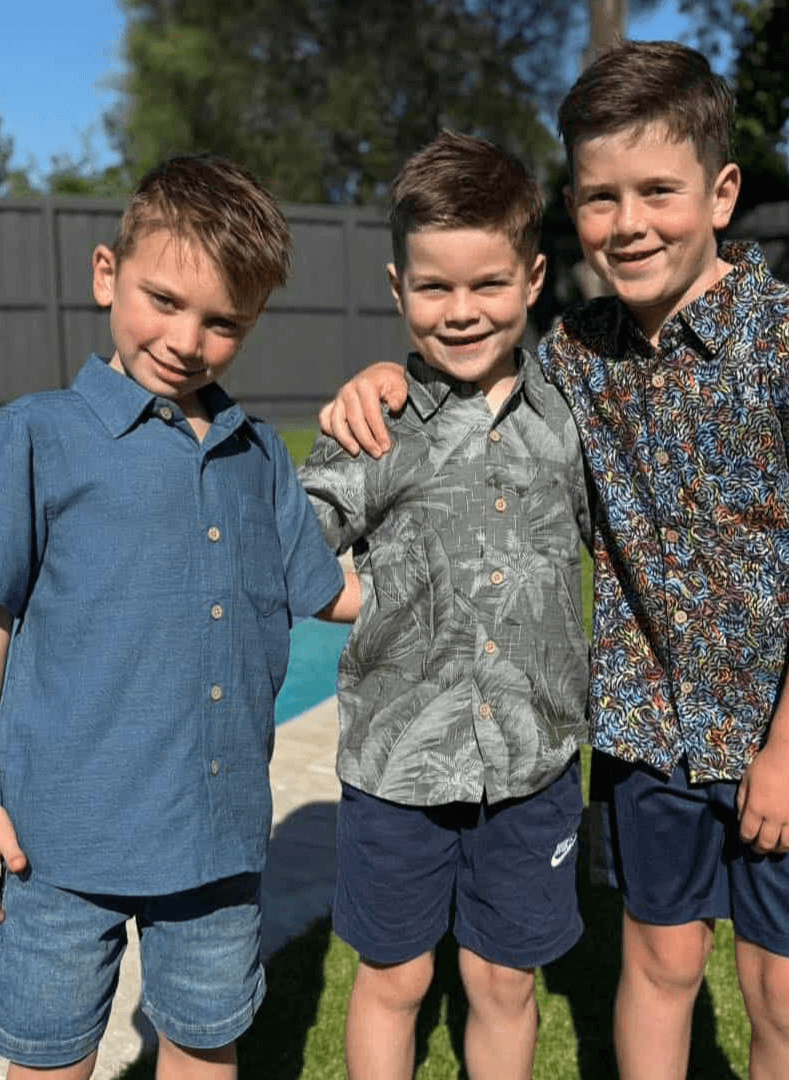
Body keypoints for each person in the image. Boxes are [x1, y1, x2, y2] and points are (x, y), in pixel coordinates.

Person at [316, 42, 789, 1080]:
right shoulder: (575, 355)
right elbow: (471, 372)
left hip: (786, 731)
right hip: (646, 735)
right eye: (600, 197)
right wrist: (385, 374)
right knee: (659, 960)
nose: (629, 222)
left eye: (658, 191)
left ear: (722, 192)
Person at [0, 153, 360, 1080]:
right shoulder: (39, 434)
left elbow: (330, 592)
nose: (186, 338)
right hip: (62, 840)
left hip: (214, 838)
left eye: (222, 323)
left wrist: (443, 544)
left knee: (206, 1046)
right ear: (106, 274)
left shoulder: (258, 456)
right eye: (162, 300)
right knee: (49, 1058)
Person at [297, 130, 592, 1080]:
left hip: (534, 765)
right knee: (394, 979)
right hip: (396, 770)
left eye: (487, 285)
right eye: (433, 288)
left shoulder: (573, 416)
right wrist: (388, 596)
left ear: (534, 277)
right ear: (397, 289)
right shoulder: (370, 424)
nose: (460, 312)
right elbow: (293, 561)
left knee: (505, 984)